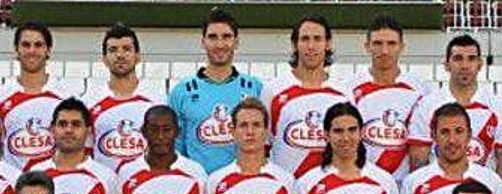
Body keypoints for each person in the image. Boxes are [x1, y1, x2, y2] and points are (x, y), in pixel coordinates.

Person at [408, 34, 502, 178]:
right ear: (446, 65)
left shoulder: (500, 109)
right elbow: (418, 162)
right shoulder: (426, 106)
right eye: (458, 58)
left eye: (471, 59)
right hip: (439, 193)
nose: (465, 66)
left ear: (480, 64)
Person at [169, 8, 264, 173]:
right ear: (203, 42)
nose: (220, 44)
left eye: (226, 37)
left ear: (236, 42)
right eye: (213, 37)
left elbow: (266, 141)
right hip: (199, 186)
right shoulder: (182, 91)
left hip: (243, 185)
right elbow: (176, 148)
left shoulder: (255, 87)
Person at [260, 16, 349, 178]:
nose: (311, 46)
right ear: (295, 45)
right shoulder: (273, 91)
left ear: (328, 44)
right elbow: (262, 148)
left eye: (317, 39)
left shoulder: (343, 94)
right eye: (305, 39)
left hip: (329, 191)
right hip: (288, 191)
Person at [346, 15, 428, 182]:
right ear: (367, 46)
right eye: (377, 43)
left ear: (401, 47)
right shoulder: (349, 88)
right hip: (362, 181)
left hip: (403, 183)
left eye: (391, 44)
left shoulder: (421, 90)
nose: (384, 51)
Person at [0, 20, 79, 170]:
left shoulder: (65, 97)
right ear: (16, 50)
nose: (32, 50)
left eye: (38, 45)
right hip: (14, 188)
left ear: (48, 50)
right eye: (26, 45)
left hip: (54, 186)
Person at [82, 23, 162, 170]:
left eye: (126, 49)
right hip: (106, 188)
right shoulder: (89, 102)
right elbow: (85, 153)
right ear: (104, 59)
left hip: (145, 187)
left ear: (138, 56)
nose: (120, 55)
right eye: (113, 50)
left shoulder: (156, 100)